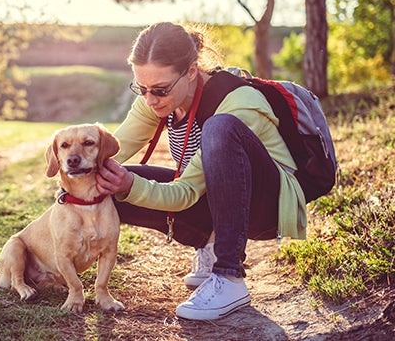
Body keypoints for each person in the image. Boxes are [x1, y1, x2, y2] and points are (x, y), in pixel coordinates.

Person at [96, 22, 307, 321]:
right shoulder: (155, 100)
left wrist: (131, 185)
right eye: (141, 88)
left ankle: (229, 276)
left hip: (265, 206)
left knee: (218, 128)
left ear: (192, 71)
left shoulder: (237, 103)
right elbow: (109, 152)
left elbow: (184, 193)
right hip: (213, 196)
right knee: (103, 181)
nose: (150, 99)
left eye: (159, 89)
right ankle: (209, 243)